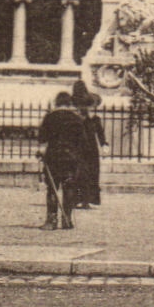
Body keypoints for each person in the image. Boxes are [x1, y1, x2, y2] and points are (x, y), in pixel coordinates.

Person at [38, 92, 88, 230]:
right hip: (71, 157)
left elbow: (42, 138)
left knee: (52, 188)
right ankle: (67, 219)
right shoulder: (76, 119)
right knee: (69, 186)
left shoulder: (50, 117)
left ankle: (51, 220)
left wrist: (41, 151)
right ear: (69, 103)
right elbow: (83, 141)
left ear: (56, 102)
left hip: (54, 156)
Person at [70, 81, 108, 209]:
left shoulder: (94, 119)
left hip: (90, 149)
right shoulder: (76, 119)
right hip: (78, 148)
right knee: (78, 173)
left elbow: (100, 133)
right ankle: (76, 199)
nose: (85, 109)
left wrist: (104, 144)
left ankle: (87, 200)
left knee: (91, 174)